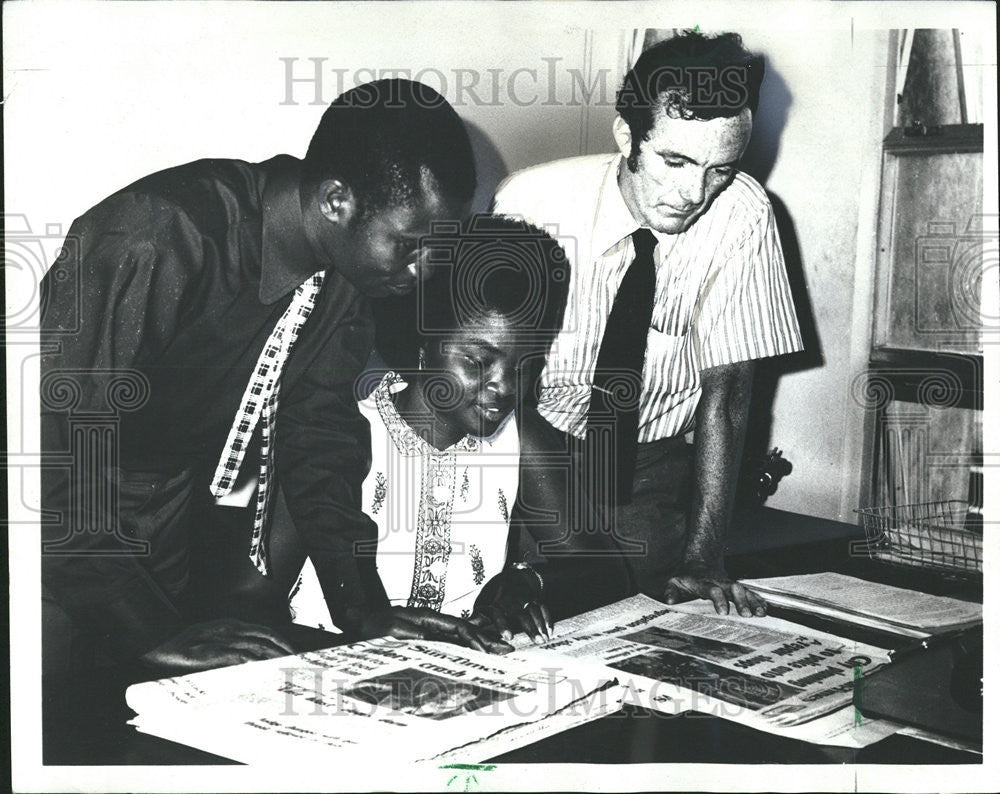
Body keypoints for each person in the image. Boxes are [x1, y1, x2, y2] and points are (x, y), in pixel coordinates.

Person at [39, 79, 480, 678]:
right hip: (50, 534)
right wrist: (150, 634)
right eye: (409, 244)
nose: (424, 268)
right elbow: (53, 458)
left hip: (162, 520)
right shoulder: (157, 236)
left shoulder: (348, 278)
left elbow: (321, 444)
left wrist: (364, 611)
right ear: (335, 201)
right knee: (55, 724)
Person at [492, 31, 804, 616]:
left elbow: (729, 398)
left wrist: (703, 560)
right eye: (675, 161)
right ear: (626, 136)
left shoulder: (743, 214)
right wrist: (550, 536)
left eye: (720, 168)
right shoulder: (531, 203)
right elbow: (501, 380)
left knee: (646, 631)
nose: (694, 193)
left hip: (650, 475)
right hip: (529, 455)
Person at [282, 215, 577, 649]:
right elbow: (249, 602)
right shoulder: (340, 433)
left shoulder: (520, 438)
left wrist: (527, 583)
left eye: (522, 365)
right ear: (423, 345)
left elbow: (603, 566)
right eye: (478, 362)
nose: (505, 386)